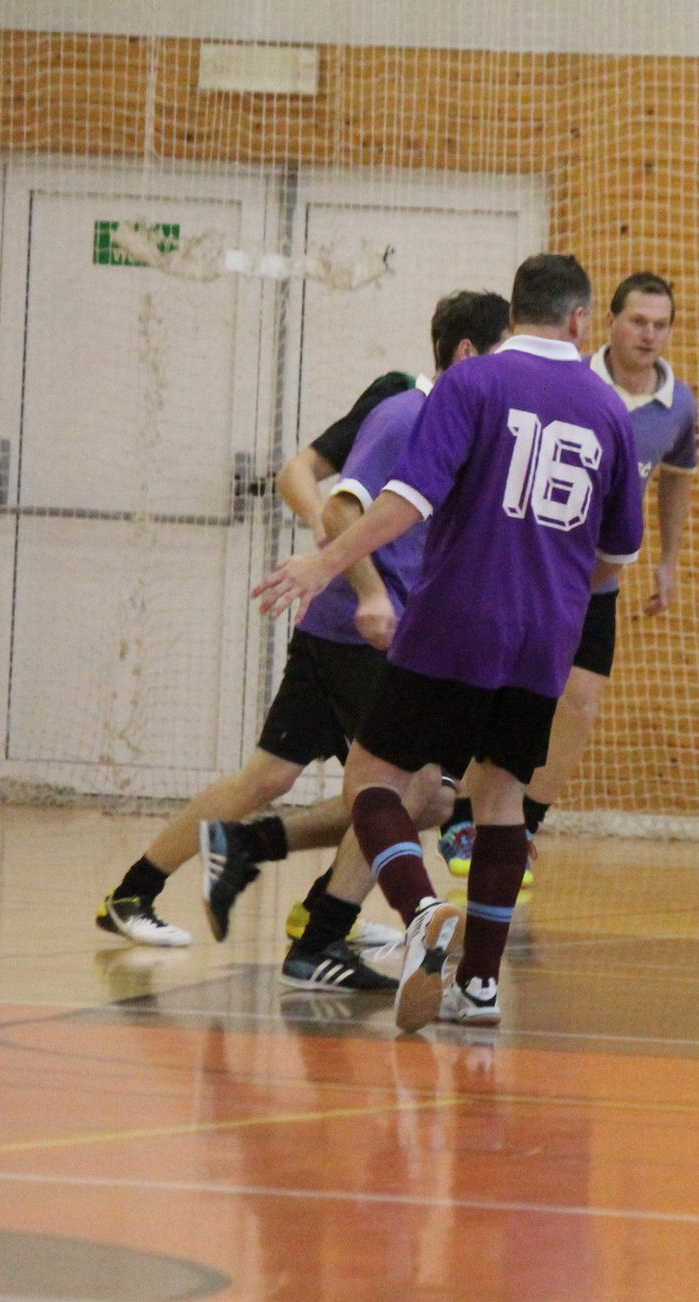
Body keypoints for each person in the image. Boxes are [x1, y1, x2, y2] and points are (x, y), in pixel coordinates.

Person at [251, 253, 643, 1032]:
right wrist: (557, 589)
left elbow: (407, 497)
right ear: (579, 320)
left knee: (372, 777)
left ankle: (422, 910)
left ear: (516, 310)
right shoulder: (609, 410)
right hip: (545, 636)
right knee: (500, 797)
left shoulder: (473, 382)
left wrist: (325, 562)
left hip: (456, 620)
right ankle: (481, 986)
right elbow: (616, 553)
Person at [93, 290, 508, 966]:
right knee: (415, 793)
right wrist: (371, 593)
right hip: (361, 633)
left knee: (271, 778)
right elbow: (341, 509)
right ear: (468, 353)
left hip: (346, 630)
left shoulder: (454, 423)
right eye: (504, 353)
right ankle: (320, 920)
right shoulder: (409, 413)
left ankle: (139, 890)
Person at [438, 271, 698, 882]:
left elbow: (677, 477)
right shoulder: (574, 381)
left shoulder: (678, 404)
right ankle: (463, 818)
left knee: (579, 706)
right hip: (533, 571)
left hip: (595, 583)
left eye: (661, 325)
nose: (649, 335)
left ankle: (521, 830)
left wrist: (668, 560)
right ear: (607, 322)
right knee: (503, 698)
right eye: (638, 321)